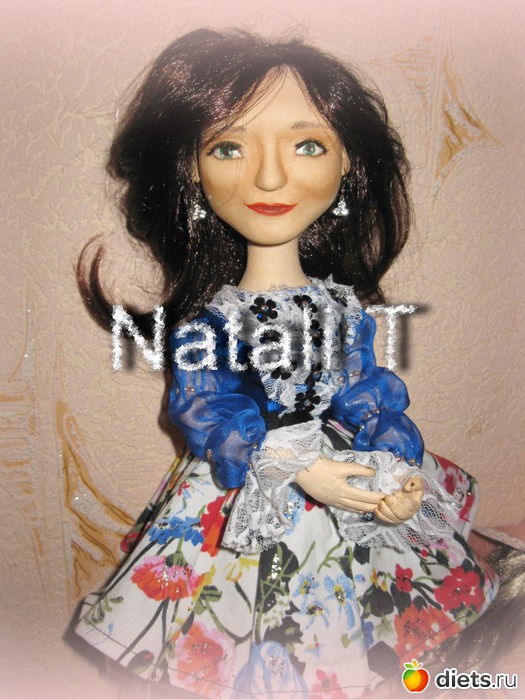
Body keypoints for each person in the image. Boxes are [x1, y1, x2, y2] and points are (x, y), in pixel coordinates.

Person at [75, 28, 498, 698]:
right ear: (192, 168)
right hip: (247, 484)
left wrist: (396, 471)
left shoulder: (341, 310)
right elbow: (207, 410)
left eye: (306, 145)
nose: (269, 177)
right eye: (228, 147)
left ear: (346, 160)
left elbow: (368, 395)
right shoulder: (212, 326)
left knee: (359, 640)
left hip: (345, 482)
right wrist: (300, 468)